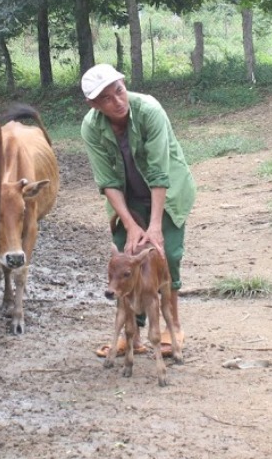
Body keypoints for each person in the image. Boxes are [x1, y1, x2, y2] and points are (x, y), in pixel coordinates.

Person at [80, 63, 195, 353]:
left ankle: (173, 328)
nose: (117, 101)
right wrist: (131, 225)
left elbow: (159, 171)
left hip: (166, 194)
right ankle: (131, 334)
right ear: (93, 104)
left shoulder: (149, 110)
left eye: (119, 91)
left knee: (165, 253)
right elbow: (107, 181)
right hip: (127, 199)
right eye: (106, 98)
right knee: (125, 256)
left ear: (124, 83)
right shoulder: (91, 127)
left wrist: (154, 225)